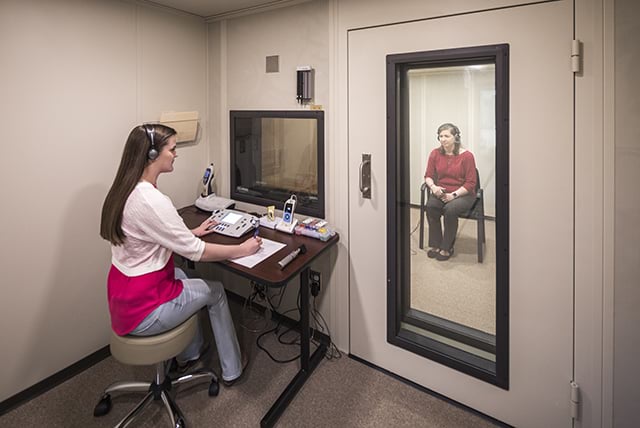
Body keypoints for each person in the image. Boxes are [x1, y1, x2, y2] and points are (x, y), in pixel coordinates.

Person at [100, 124, 262, 386]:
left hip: (123, 297)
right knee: (217, 290)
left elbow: (153, 234)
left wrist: (193, 231)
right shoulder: (152, 201)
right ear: (153, 155)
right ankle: (233, 369)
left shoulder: (124, 190)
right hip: (145, 310)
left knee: (185, 274)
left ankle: (191, 353)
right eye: (172, 149)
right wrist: (242, 249)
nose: (176, 154)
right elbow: (198, 252)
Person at [423, 123, 477, 261]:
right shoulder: (435, 153)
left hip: (463, 194)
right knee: (431, 207)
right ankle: (435, 244)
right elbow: (428, 175)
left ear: (456, 137)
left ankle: (447, 247)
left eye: (446, 136)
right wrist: (434, 187)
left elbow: (471, 183)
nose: (443, 139)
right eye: (440, 136)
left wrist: (453, 195)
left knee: (450, 209)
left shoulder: (467, 156)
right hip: (441, 190)